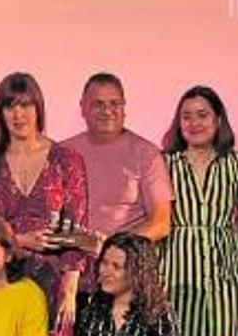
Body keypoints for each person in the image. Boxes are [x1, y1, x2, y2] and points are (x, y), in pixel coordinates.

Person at [0, 72, 88, 329]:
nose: (18, 114)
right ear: (0, 113)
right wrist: (18, 241)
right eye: (10, 106)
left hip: (54, 281)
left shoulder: (67, 159)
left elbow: (78, 227)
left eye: (25, 105)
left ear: (38, 108)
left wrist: (71, 286)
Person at [159, 86, 238, 336]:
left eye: (202, 115)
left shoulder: (237, 163)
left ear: (217, 120)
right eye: (187, 116)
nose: (194, 123)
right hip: (175, 274)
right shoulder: (163, 163)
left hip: (221, 276)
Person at [61, 72, 172, 249]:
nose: (107, 111)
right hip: (71, 261)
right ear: (82, 107)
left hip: (125, 264)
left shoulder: (146, 153)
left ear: (124, 107)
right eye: (98, 104)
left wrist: (112, 247)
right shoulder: (62, 153)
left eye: (114, 103)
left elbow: (161, 223)